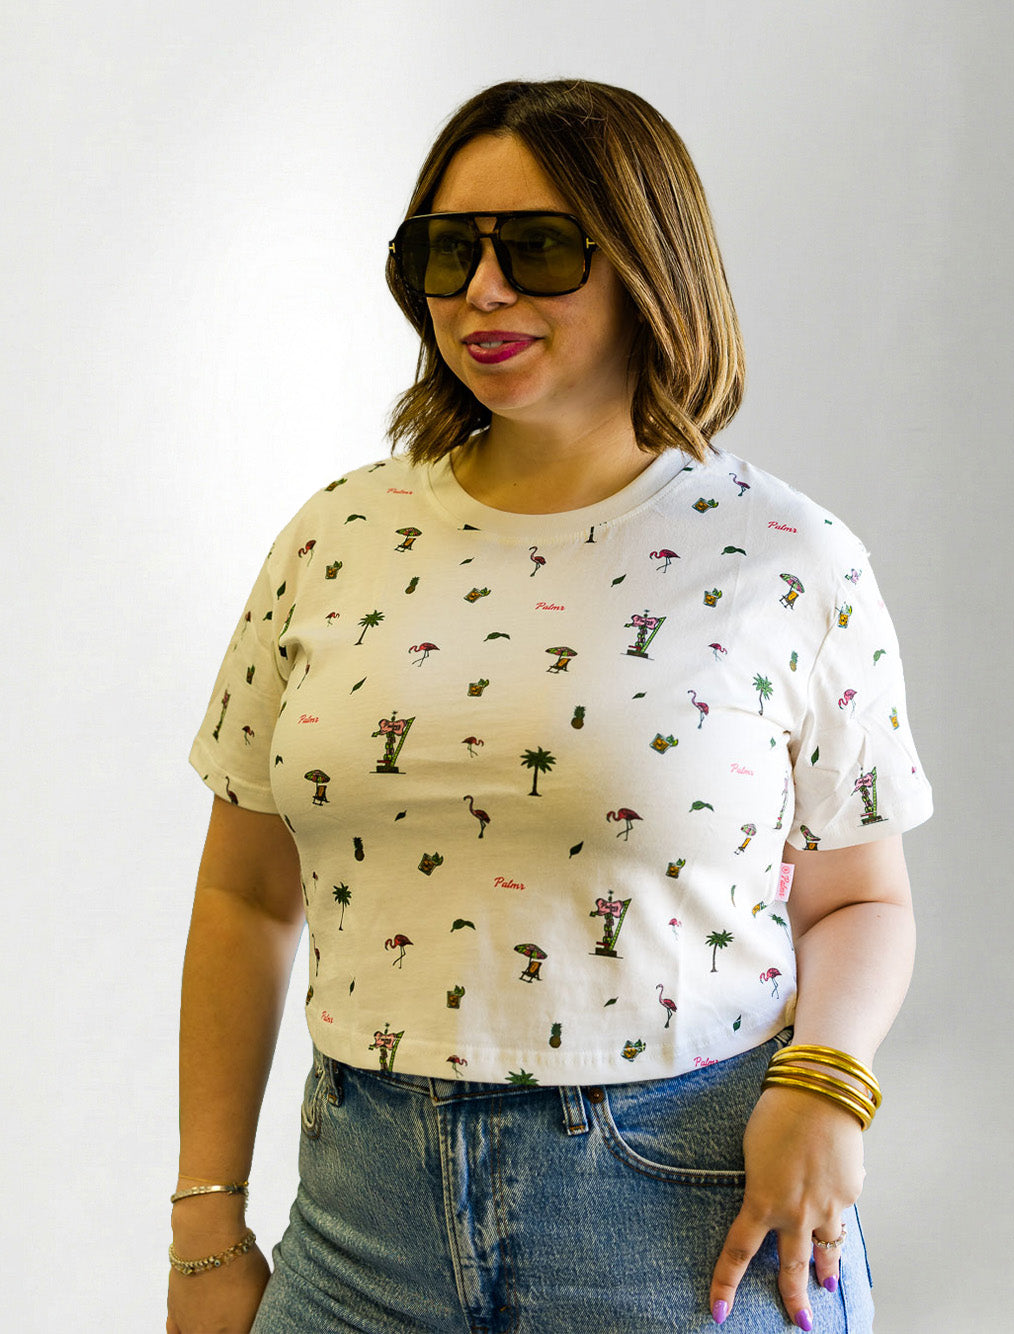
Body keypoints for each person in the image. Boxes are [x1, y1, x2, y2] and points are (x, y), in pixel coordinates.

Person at [168, 79, 932, 1334]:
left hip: (683, 1199)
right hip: (361, 1212)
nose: (479, 292)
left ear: (647, 264)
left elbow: (860, 895)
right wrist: (207, 1221)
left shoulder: (784, 554)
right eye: (442, 251)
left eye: (535, 248)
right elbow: (245, 893)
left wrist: (828, 1082)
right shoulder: (334, 538)